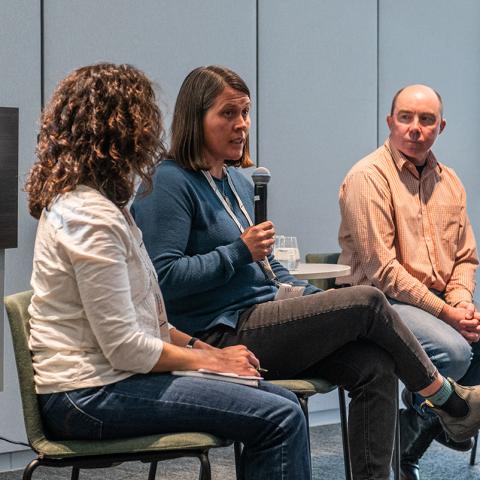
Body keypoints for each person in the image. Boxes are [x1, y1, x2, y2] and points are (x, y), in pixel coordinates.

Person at [131, 65, 480, 480]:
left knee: (374, 364)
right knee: (368, 299)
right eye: (228, 114)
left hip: (264, 316)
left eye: (245, 112)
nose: (241, 125)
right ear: (194, 118)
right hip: (216, 332)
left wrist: (313, 299)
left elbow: (270, 268)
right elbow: (162, 280)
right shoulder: (169, 182)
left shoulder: (239, 184)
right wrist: (237, 253)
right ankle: (448, 401)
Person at [25, 63, 314, 480]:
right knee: (278, 417)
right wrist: (207, 362)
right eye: (142, 121)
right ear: (119, 132)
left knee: (282, 404)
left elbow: (151, 321)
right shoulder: (88, 217)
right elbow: (126, 348)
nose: (150, 134)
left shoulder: (110, 209)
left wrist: (209, 352)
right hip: (86, 395)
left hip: (113, 379)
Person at [338, 84, 480, 479]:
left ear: (441, 127)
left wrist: (462, 303)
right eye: (406, 117)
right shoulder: (368, 177)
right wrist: (449, 314)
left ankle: (409, 440)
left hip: (437, 304)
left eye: (426, 119)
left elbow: (465, 256)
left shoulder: (449, 181)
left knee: (474, 347)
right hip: (378, 304)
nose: (415, 128)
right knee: (455, 353)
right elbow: (384, 272)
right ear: (390, 122)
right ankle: (429, 415)